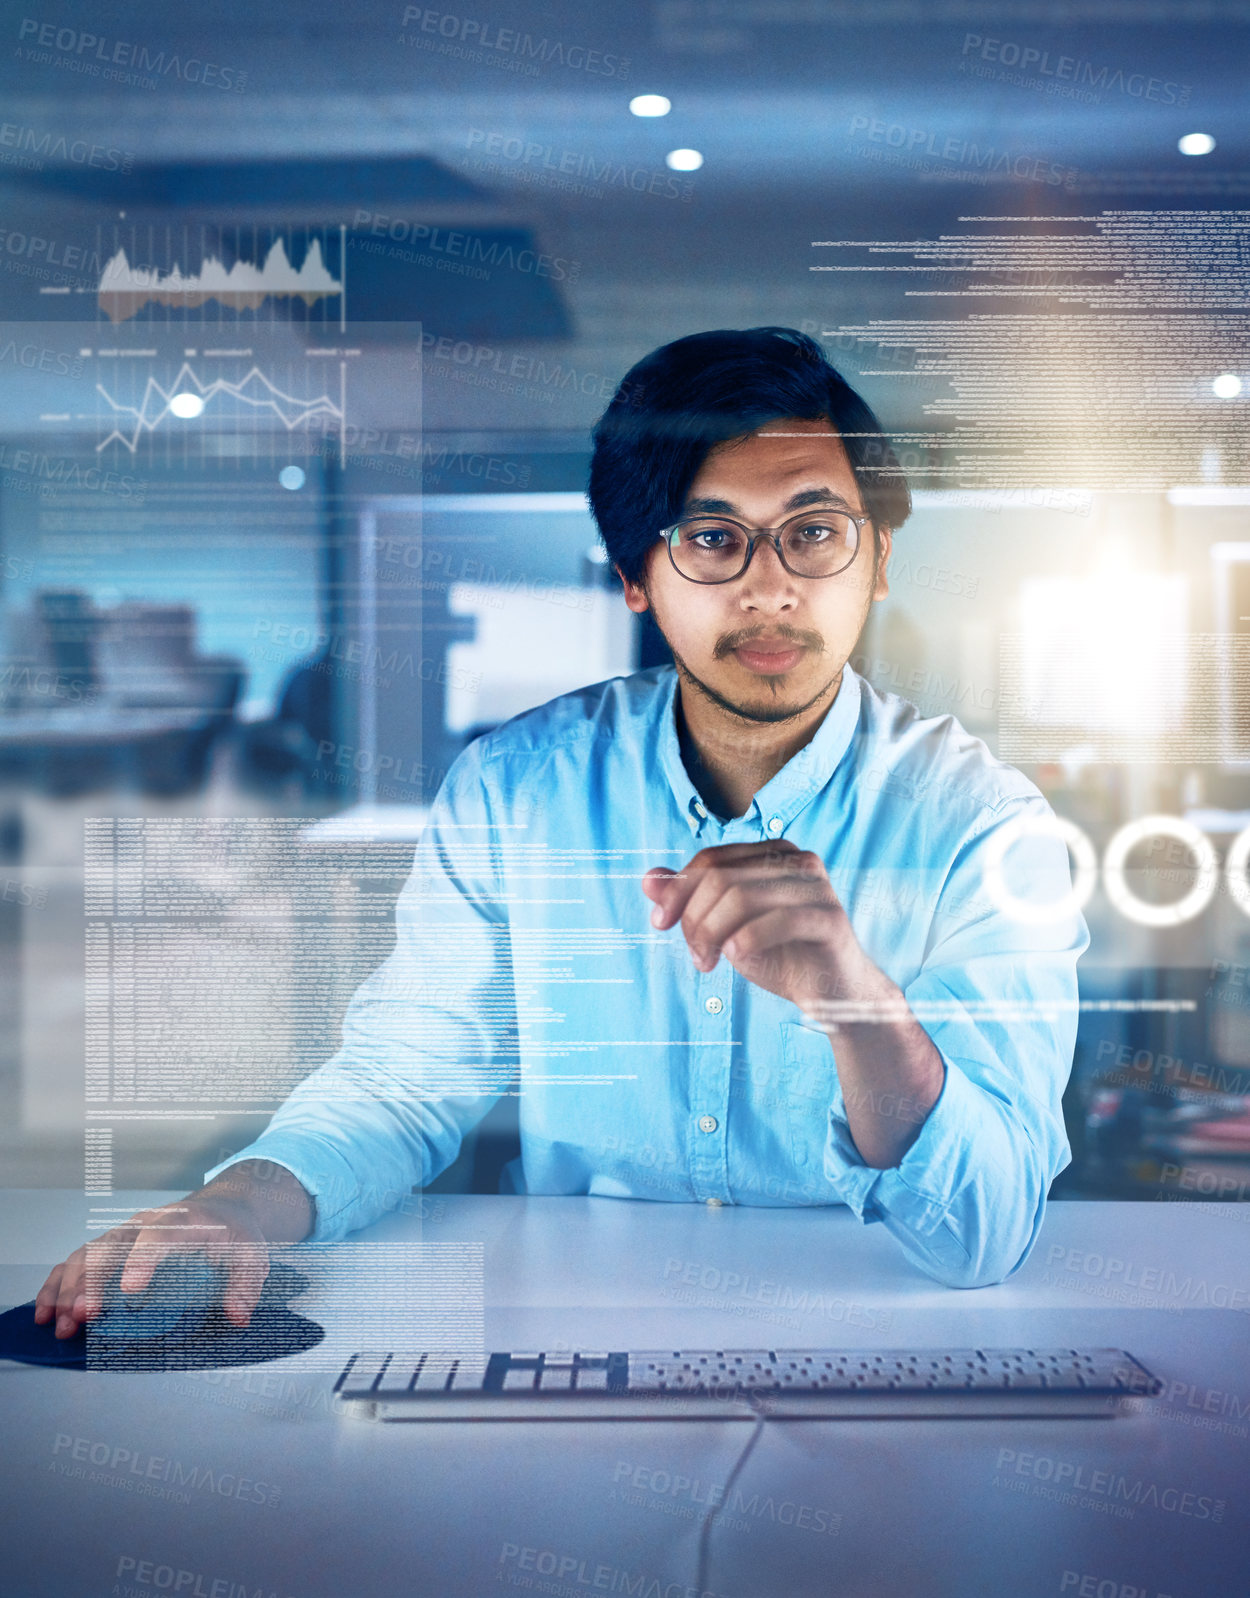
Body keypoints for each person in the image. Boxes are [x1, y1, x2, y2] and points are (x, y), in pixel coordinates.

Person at [37, 327, 1087, 1337]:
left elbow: (985, 1230)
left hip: (873, 1339)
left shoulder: (982, 824)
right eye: (710, 538)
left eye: (813, 532)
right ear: (634, 576)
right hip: (577, 1331)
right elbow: (404, 1079)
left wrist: (855, 1001)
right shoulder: (517, 791)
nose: (771, 585)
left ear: (878, 556)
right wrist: (237, 1208)